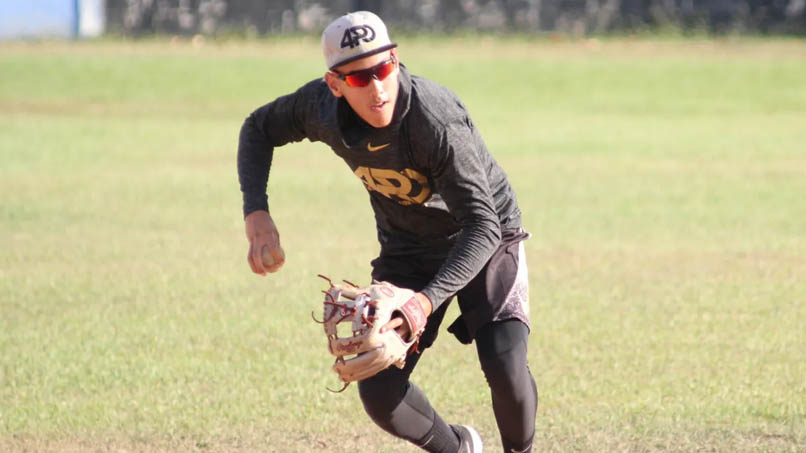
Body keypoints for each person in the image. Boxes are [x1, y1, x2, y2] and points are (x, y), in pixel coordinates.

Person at [237, 11, 537, 453]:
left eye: (382, 69)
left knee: (505, 366)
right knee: (378, 388)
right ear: (334, 84)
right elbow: (258, 128)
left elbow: (482, 223)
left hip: (486, 238)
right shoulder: (321, 109)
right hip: (408, 246)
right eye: (359, 79)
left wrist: (423, 303)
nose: (377, 88)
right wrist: (256, 214)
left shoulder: (435, 119)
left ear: (395, 60)